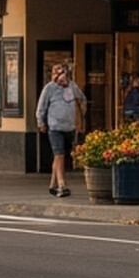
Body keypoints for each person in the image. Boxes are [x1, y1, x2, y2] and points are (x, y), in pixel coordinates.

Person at [36, 63, 87, 198]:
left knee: (59, 155)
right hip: (55, 126)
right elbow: (41, 106)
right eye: (58, 75)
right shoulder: (49, 88)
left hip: (69, 126)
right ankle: (61, 184)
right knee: (59, 154)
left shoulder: (72, 87)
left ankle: (52, 184)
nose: (61, 79)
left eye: (63, 75)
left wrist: (80, 115)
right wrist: (41, 122)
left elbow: (82, 99)